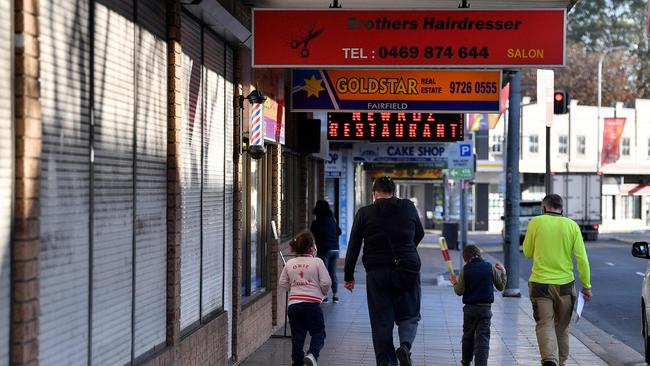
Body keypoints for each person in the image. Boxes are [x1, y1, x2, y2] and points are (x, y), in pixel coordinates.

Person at [344, 176, 424, 366]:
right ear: (394, 192)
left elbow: (354, 246)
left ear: (374, 193)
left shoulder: (365, 213)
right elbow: (419, 233)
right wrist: (408, 250)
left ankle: (385, 362)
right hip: (407, 269)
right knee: (410, 314)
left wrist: (349, 276)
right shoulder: (408, 207)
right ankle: (405, 346)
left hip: (377, 274)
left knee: (381, 321)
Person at [523, 194, 592, 366]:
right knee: (561, 328)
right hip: (565, 287)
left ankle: (549, 360)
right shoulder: (572, 226)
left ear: (543, 207)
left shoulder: (536, 222)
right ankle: (561, 362)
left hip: (540, 284)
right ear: (562, 208)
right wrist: (586, 285)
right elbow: (582, 259)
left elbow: (527, 252)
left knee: (544, 323)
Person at [279, 231, 332, 366]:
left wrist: (295, 288)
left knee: (298, 335)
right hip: (312, 305)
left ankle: (297, 362)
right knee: (319, 332)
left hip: (294, 305)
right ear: (311, 247)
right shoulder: (317, 262)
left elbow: (282, 283)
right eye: (314, 243)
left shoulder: (290, 263)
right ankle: (312, 354)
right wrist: (322, 294)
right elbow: (326, 282)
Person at [449, 245, 507, 366]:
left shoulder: (466, 269)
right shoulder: (489, 267)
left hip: (470, 309)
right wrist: (503, 272)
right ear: (479, 254)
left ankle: (466, 361)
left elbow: (459, 291)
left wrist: (454, 282)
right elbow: (501, 287)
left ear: (466, 257)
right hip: (485, 309)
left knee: (468, 337)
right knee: (483, 339)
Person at [310, 200, 342, 303]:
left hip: (324, 250)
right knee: (332, 273)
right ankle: (335, 296)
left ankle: (324, 296)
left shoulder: (316, 223)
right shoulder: (332, 220)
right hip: (335, 249)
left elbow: (312, 232)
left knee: (323, 274)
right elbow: (339, 231)